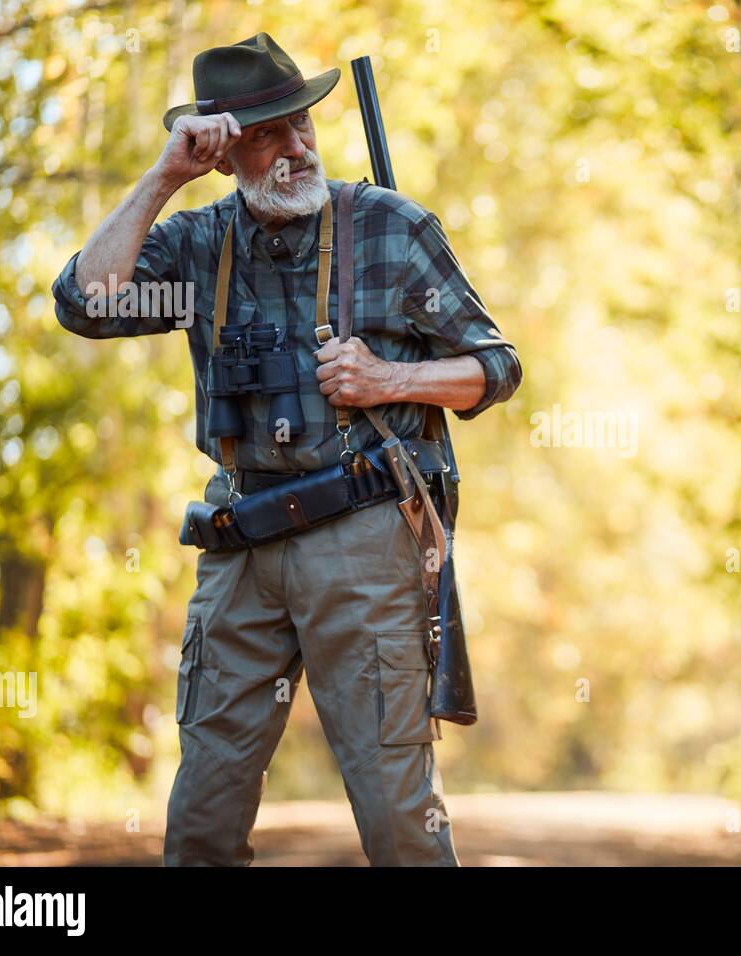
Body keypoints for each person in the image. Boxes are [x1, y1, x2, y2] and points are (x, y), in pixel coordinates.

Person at [50, 33, 522, 866]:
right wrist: (165, 179)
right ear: (224, 150)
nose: (297, 146)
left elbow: (496, 368)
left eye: (300, 124)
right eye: (267, 133)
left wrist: (387, 380)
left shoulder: (390, 227)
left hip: (366, 540)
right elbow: (88, 303)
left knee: (399, 816)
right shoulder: (196, 247)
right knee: (201, 818)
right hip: (239, 546)